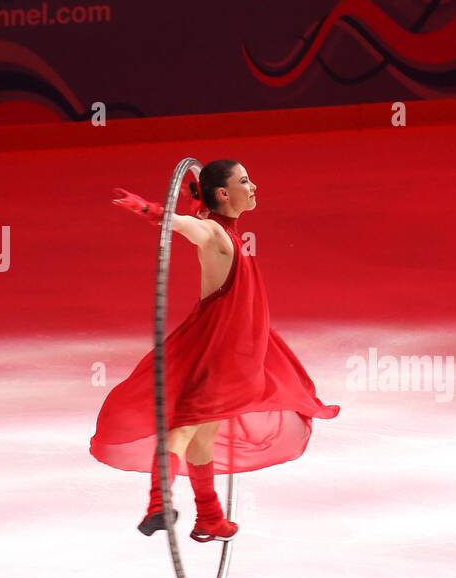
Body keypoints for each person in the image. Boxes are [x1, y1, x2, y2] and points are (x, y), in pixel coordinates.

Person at [90, 160, 339, 542]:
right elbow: (189, 227)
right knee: (187, 425)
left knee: (202, 435)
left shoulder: (228, 233)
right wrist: (150, 210)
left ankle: (208, 516)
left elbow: (198, 222)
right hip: (223, 352)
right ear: (223, 193)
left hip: (238, 349)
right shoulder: (215, 235)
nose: (253, 186)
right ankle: (159, 504)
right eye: (244, 181)